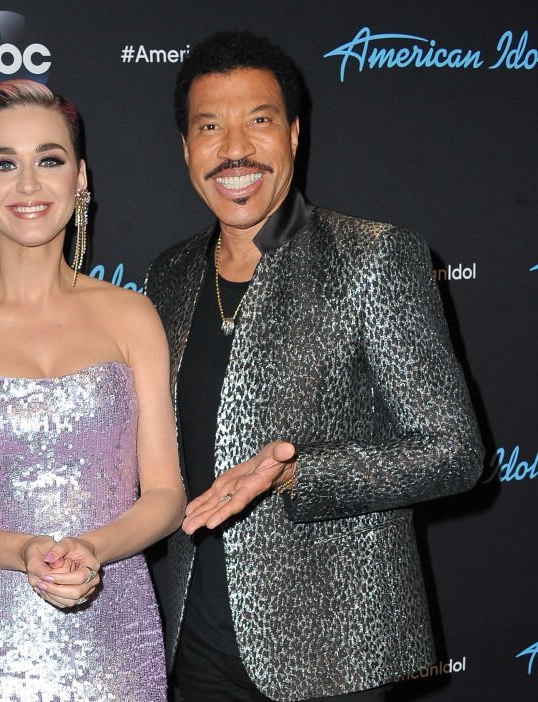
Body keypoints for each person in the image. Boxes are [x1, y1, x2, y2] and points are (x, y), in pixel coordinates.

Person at [144, 31, 484, 702]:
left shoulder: (372, 257)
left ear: (295, 135)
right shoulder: (171, 274)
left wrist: (302, 473)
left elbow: (456, 452)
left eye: (259, 121)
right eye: (210, 127)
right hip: (197, 640)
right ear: (186, 149)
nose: (234, 148)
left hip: (335, 653)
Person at [0, 79, 185, 701]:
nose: (28, 185)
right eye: (5, 163)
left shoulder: (132, 316)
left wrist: (93, 549)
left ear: (80, 178)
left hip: (118, 630)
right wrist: (24, 549)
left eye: (49, 160)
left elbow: (165, 494)